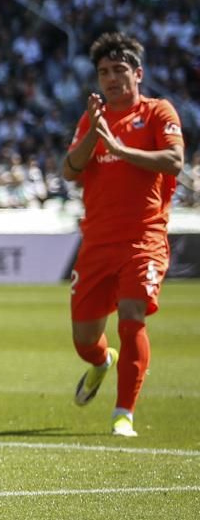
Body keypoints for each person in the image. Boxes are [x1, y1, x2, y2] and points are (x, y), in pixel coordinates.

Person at [61, 32, 185, 437]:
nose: (111, 79)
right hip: (96, 242)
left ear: (138, 74)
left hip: (143, 238)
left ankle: (123, 414)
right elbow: (70, 170)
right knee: (84, 341)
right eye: (103, 73)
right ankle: (100, 363)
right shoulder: (91, 121)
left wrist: (121, 148)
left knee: (132, 319)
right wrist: (98, 134)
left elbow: (173, 160)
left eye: (119, 70)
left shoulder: (158, 113)